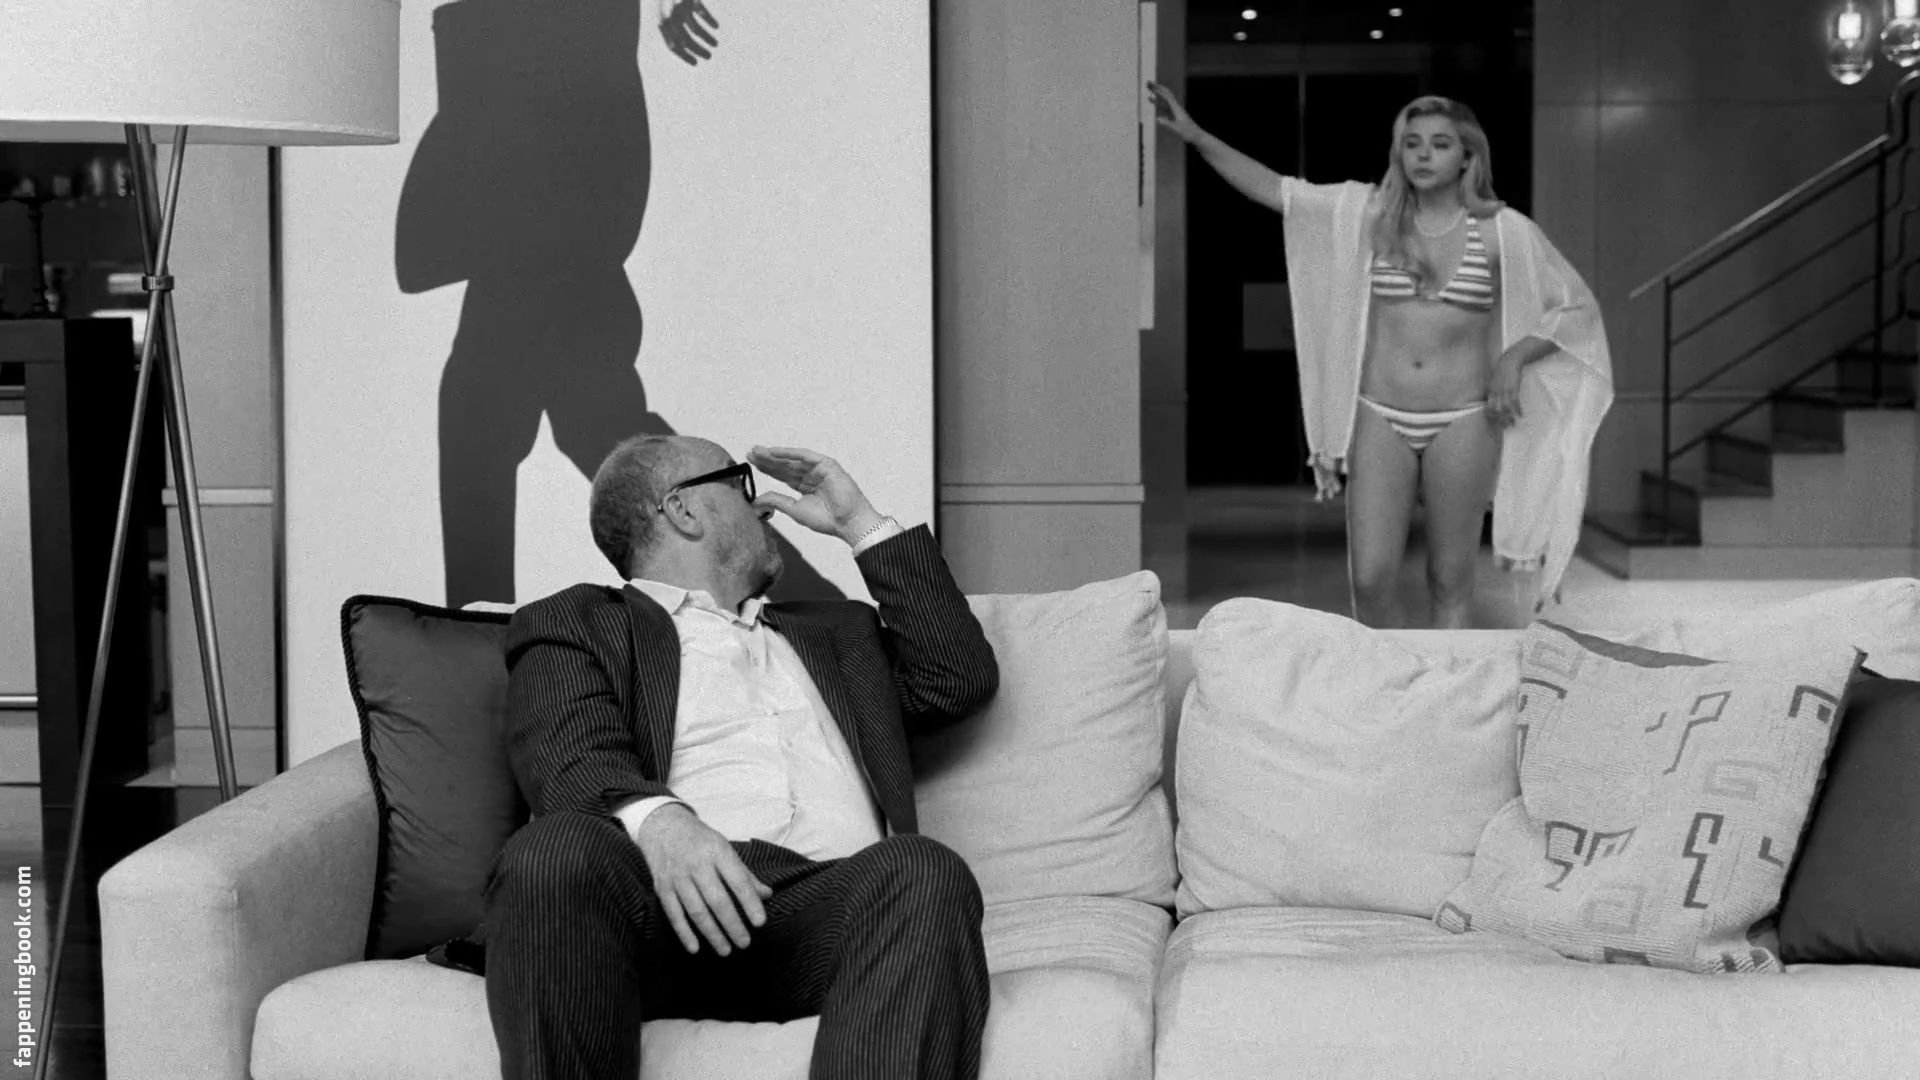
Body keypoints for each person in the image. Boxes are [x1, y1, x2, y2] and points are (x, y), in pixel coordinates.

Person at [483, 434, 1000, 1080]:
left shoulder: (837, 631)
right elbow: (568, 755)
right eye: (739, 484)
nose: (762, 507)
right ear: (682, 509)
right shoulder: (580, 621)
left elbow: (958, 678)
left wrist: (859, 523)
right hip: (659, 914)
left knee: (926, 870)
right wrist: (664, 825)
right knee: (551, 852)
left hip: (824, 912)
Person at [1147, 82, 1613, 627]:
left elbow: (1575, 309)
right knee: (1369, 581)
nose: (1423, 154)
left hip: (1463, 419)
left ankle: (1444, 682)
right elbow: (1278, 191)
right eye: (1411, 143)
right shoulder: (1368, 215)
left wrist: (1514, 359)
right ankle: (1393, 679)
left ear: (1467, 156)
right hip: (1378, 414)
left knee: (1450, 581)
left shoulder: (1502, 232)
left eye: (1440, 144)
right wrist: (1194, 134)